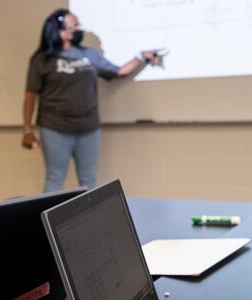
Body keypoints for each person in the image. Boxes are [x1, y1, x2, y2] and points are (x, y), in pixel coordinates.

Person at [22, 8, 163, 192]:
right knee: (55, 177)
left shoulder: (89, 54)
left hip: (88, 128)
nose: (80, 28)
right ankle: (48, 220)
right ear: (60, 31)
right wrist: (27, 129)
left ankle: (88, 220)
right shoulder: (42, 59)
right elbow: (30, 95)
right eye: (75, 25)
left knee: (89, 180)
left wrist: (141, 57)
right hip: (54, 127)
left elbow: (118, 72)